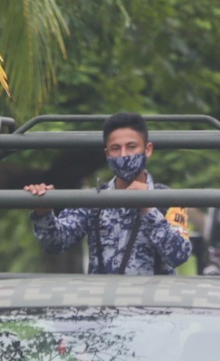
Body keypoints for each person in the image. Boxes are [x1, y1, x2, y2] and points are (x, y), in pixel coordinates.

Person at [25, 113, 192, 274]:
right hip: (104, 301)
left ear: (147, 149)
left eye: (132, 147)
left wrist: (148, 208)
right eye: (115, 149)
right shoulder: (94, 200)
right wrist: (44, 212)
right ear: (107, 154)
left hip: (151, 301)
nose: (124, 155)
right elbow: (55, 242)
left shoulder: (167, 199)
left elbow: (179, 254)